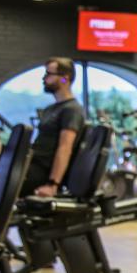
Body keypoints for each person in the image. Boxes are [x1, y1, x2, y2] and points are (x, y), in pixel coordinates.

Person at [22, 57, 85, 197]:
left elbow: (65, 147)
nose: (44, 78)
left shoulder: (72, 110)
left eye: (49, 74)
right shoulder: (50, 109)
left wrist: (52, 184)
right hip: (29, 164)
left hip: (39, 173)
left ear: (64, 78)